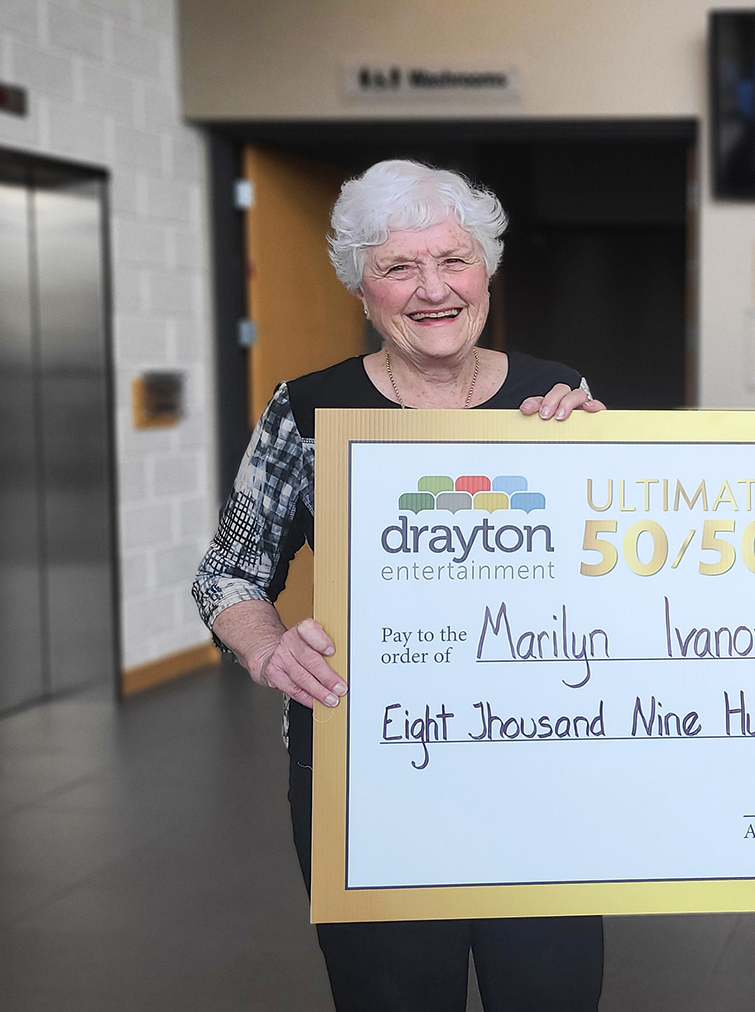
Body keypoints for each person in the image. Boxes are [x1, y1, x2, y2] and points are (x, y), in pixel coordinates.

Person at [192, 160, 605, 1011]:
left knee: (550, 989)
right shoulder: (308, 412)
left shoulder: (557, 398)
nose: (432, 290)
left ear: (484, 268)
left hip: (541, 768)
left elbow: (626, 576)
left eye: (452, 260)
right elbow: (227, 572)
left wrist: (608, 473)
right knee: (393, 994)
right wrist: (270, 649)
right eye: (397, 267)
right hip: (369, 772)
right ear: (361, 287)